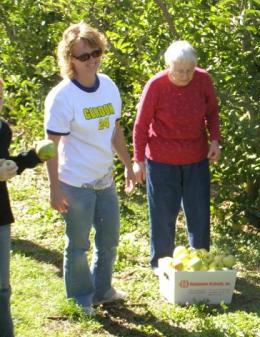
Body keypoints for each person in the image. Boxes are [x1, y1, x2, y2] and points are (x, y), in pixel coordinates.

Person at [44, 22, 136, 315]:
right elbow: (51, 147)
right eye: (84, 56)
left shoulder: (108, 85)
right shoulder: (62, 97)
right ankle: (80, 299)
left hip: (104, 180)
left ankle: (102, 290)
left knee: (108, 241)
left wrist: (129, 165)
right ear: (69, 59)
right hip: (75, 184)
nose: (92, 60)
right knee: (78, 246)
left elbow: (114, 130)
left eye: (96, 52)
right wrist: (54, 189)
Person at [133, 40, 221, 270]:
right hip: (161, 159)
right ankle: (161, 264)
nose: (185, 75)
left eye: (189, 70)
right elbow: (141, 125)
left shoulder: (203, 80)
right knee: (163, 213)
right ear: (168, 66)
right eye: (179, 70)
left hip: (196, 157)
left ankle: (201, 262)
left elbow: (212, 112)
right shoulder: (156, 85)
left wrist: (215, 141)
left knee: (199, 212)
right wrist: (137, 160)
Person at [0, 78, 47, 337]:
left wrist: (31, 158)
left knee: (2, 289)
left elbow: (6, 166)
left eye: (0, 96)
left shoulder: (2, 130)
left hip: (0, 216)